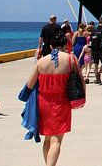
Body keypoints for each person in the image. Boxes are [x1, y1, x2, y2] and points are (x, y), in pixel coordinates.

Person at [26, 31, 84, 166]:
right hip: (62, 103)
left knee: (47, 139)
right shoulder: (71, 59)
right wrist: (81, 100)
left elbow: (30, 84)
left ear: (51, 47)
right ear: (66, 45)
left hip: (43, 103)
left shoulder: (42, 61)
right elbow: (80, 80)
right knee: (56, 140)